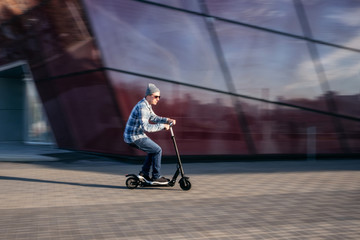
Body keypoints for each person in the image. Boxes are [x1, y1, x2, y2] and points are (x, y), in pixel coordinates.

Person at [124, 83, 176, 184]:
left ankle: (144, 174)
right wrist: (163, 126)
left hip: (137, 135)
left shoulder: (147, 105)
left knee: (153, 150)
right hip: (133, 137)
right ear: (149, 95)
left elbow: (154, 117)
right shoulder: (143, 107)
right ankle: (156, 176)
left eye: (159, 97)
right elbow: (146, 127)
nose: (158, 99)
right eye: (156, 96)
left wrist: (167, 120)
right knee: (157, 150)